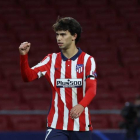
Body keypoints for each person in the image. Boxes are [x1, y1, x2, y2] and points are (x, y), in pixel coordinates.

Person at [19, 17, 97, 140]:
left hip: (81, 126)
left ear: (74, 36)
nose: (59, 38)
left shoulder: (88, 60)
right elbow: (28, 77)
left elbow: (92, 89)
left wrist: (81, 105)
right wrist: (24, 57)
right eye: (57, 35)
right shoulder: (51, 59)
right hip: (56, 126)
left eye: (63, 34)